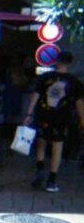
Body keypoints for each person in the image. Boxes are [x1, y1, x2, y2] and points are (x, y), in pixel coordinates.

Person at [23, 51, 84, 192]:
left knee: (41, 142)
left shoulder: (45, 77)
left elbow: (35, 96)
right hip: (62, 117)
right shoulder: (74, 82)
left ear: (56, 61)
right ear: (70, 63)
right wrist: (82, 120)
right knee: (57, 145)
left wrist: (29, 113)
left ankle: (40, 169)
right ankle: (52, 179)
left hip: (43, 115)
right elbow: (79, 103)